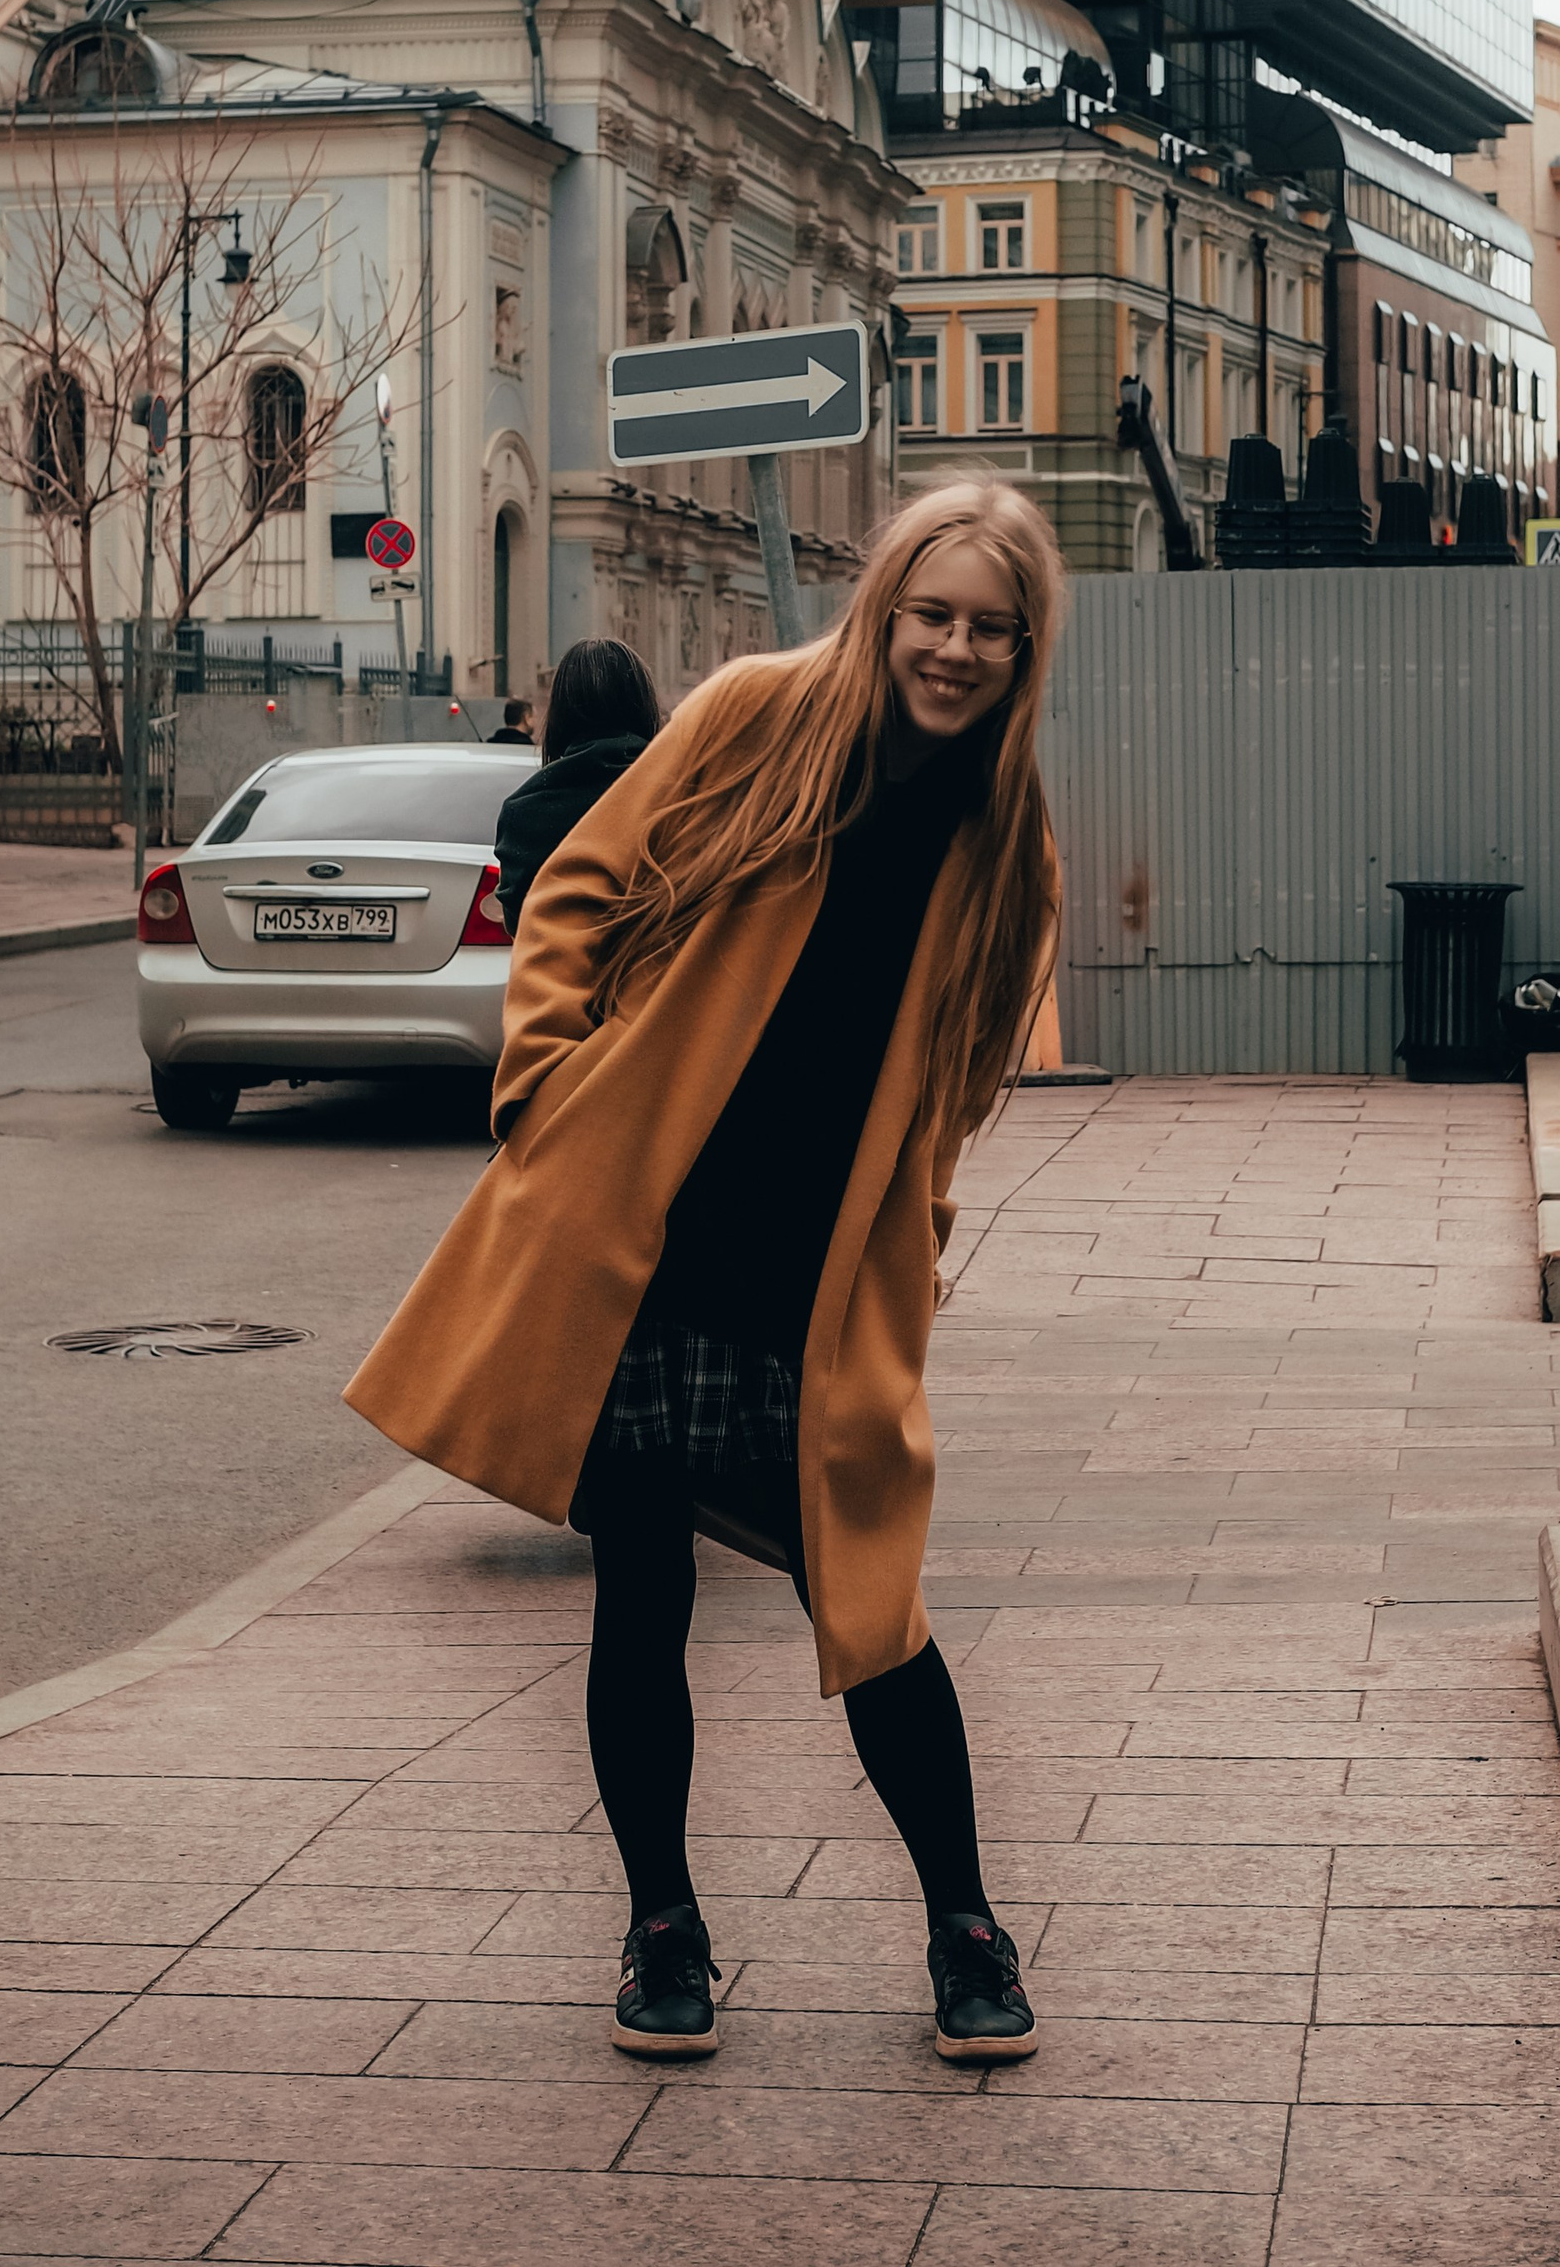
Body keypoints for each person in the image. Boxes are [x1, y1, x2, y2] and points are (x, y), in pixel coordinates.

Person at [347, 479, 1063, 2067]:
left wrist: (918, 1240)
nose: (952, 648)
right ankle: (663, 1925)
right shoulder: (755, 716)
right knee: (642, 1585)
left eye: (988, 629)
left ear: (1024, 652)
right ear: (882, 604)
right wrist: (544, 1085)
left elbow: (961, 1079)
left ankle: (964, 1921)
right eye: (931, 613)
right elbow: (579, 893)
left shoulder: (1008, 845)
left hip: (814, 1276)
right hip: (642, 1245)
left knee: (872, 1600)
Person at [492, 637, 663, 931]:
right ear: (644, 708)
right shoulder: (682, 797)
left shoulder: (524, 810)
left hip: (559, 976)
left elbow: (518, 926)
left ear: (561, 715)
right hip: (666, 975)